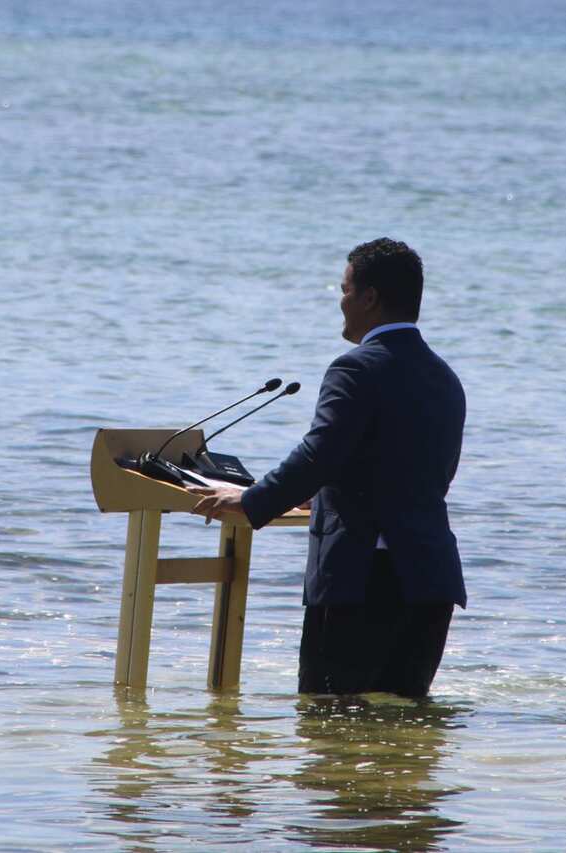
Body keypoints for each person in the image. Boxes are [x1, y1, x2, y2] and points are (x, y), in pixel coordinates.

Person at [188, 238, 466, 698]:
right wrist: (329, 491)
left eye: (345, 289)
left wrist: (252, 500)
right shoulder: (444, 376)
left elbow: (319, 453)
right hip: (430, 581)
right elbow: (426, 473)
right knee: (400, 739)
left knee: (329, 729)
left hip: (363, 580)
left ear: (370, 297)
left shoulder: (355, 369)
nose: (341, 301)